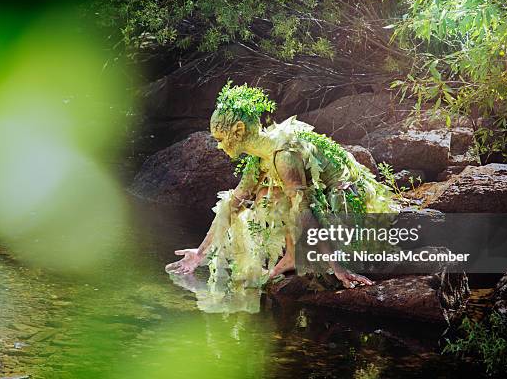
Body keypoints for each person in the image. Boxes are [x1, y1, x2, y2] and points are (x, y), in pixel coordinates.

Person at [166, 82, 397, 289]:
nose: (218, 147)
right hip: (317, 193)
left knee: (279, 199)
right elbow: (233, 204)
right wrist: (200, 253)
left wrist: (338, 266)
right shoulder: (260, 156)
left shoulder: (284, 156)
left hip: (343, 199)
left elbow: (305, 212)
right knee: (265, 194)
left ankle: (304, 255)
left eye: (219, 139)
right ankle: (292, 255)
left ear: (238, 130)